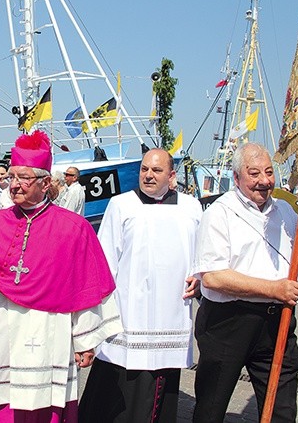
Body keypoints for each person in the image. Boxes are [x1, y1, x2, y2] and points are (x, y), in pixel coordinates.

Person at [0, 130, 122, 421]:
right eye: (11, 177)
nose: (13, 185)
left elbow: (85, 285)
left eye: (22, 178)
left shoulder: (74, 228)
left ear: (44, 183)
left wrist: (84, 340)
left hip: (46, 333)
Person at [191, 143, 298, 422]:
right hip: (227, 323)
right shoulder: (219, 212)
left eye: (268, 172)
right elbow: (213, 276)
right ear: (238, 176)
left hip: (277, 321)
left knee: (282, 410)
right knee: (211, 408)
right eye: (254, 173)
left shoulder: (287, 211)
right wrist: (273, 288)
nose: (264, 181)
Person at [79, 148, 202, 422]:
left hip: (171, 312)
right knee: (118, 381)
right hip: (128, 312)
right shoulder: (121, 204)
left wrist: (200, 277)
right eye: (144, 169)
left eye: (156, 171)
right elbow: (105, 259)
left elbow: (202, 254)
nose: (148, 175)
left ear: (171, 176)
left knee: (161, 383)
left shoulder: (191, 207)